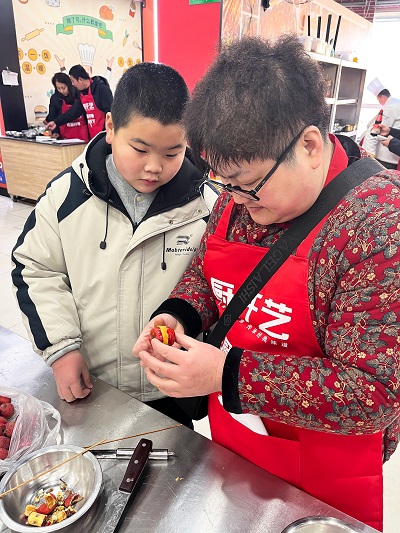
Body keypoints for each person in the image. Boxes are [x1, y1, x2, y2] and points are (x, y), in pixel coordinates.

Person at [133, 36, 400, 532]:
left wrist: (226, 374)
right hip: (239, 434)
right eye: (224, 183)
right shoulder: (239, 194)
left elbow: (373, 394)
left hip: (325, 466)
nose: (236, 200)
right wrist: (179, 314)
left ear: (310, 146)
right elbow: (204, 272)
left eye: (247, 184)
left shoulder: (377, 225)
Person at [11, 62, 217, 428]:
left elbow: (217, 289)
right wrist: (61, 348)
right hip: (92, 381)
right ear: (109, 127)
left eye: (172, 153)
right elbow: (35, 269)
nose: (154, 167)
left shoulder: (206, 207)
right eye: (139, 149)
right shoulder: (67, 195)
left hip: (172, 390)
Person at [46, 64, 113, 140]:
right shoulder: (81, 93)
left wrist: (105, 134)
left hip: (105, 136)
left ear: (80, 80)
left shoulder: (101, 89)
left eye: (73, 81)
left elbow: (110, 113)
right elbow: (73, 112)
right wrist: (56, 122)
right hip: (93, 137)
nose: (72, 84)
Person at [44, 72, 89, 142]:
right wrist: (56, 132)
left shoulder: (78, 93)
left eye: (63, 88)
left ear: (69, 84)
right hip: (64, 137)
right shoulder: (55, 98)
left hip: (81, 134)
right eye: (58, 88)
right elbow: (53, 116)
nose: (61, 91)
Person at [363, 86, 400, 169]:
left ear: (383, 97)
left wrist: (393, 143)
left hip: (390, 160)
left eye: (379, 100)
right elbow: (373, 132)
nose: (379, 102)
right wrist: (390, 131)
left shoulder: (393, 106)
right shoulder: (393, 107)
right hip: (386, 159)